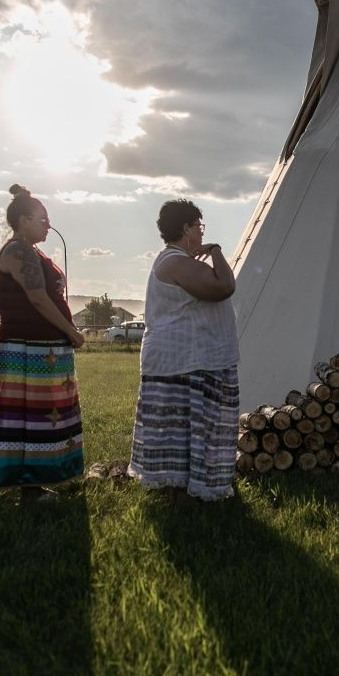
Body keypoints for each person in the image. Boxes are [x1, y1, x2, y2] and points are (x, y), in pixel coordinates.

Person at [127, 199, 240, 501]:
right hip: (183, 359)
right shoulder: (175, 262)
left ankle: (188, 487)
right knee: (187, 426)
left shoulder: (176, 260)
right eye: (199, 227)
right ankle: (184, 490)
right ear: (186, 228)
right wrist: (216, 251)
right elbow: (223, 287)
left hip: (189, 358)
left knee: (187, 427)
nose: (202, 234)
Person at [0, 184, 85, 502]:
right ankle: (29, 488)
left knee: (48, 415)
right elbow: (38, 298)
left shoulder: (32, 251)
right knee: (31, 418)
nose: (48, 224)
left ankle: (45, 478)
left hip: (44, 347)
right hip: (28, 348)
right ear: (23, 219)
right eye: (42, 218)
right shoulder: (18, 251)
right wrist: (71, 332)